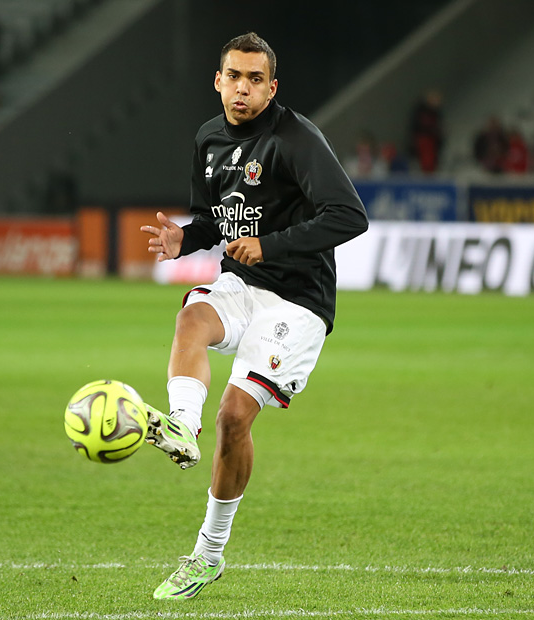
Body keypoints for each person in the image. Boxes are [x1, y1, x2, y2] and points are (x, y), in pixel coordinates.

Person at [139, 32, 368, 600]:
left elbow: (350, 215)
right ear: (218, 81)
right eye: (234, 77)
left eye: (255, 79)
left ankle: (207, 554)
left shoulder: (295, 139)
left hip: (299, 301)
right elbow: (212, 219)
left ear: (271, 87)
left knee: (234, 417)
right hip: (243, 284)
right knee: (191, 319)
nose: (243, 89)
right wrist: (184, 238)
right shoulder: (208, 139)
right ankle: (180, 426)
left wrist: (271, 245)